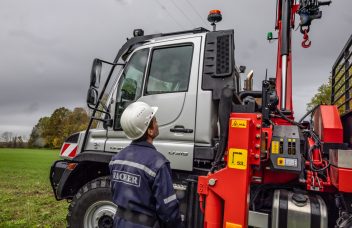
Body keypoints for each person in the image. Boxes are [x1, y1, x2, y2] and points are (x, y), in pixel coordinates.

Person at [109, 101, 183, 228]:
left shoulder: (116, 159)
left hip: (119, 223)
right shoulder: (158, 163)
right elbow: (168, 210)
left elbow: (115, 192)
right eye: (155, 121)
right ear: (149, 130)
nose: (157, 124)